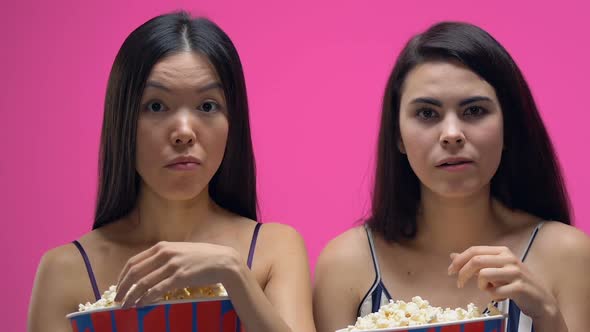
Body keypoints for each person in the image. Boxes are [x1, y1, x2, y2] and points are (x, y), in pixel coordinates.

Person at [28, 12, 315, 332]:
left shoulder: (275, 248)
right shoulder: (65, 271)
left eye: (207, 106)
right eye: (156, 106)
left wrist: (233, 271)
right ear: (122, 122)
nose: (183, 132)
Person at [313, 21, 590, 332]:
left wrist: (547, 315)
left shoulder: (566, 254)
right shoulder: (346, 264)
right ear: (398, 136)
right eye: (427, 114)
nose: (452, 134)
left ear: (509, 126)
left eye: (474, 111)